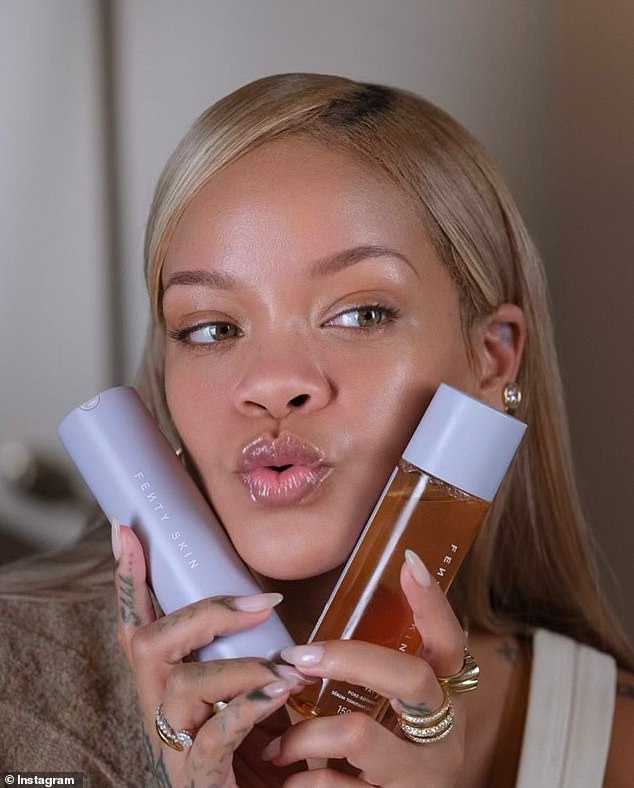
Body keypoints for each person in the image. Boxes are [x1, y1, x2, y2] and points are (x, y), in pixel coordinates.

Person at [1, 73, 632, 787]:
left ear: (492, 358)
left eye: (361, 313)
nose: (272, 382)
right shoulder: (16, 689)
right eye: (210, 327)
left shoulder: (607, 737)